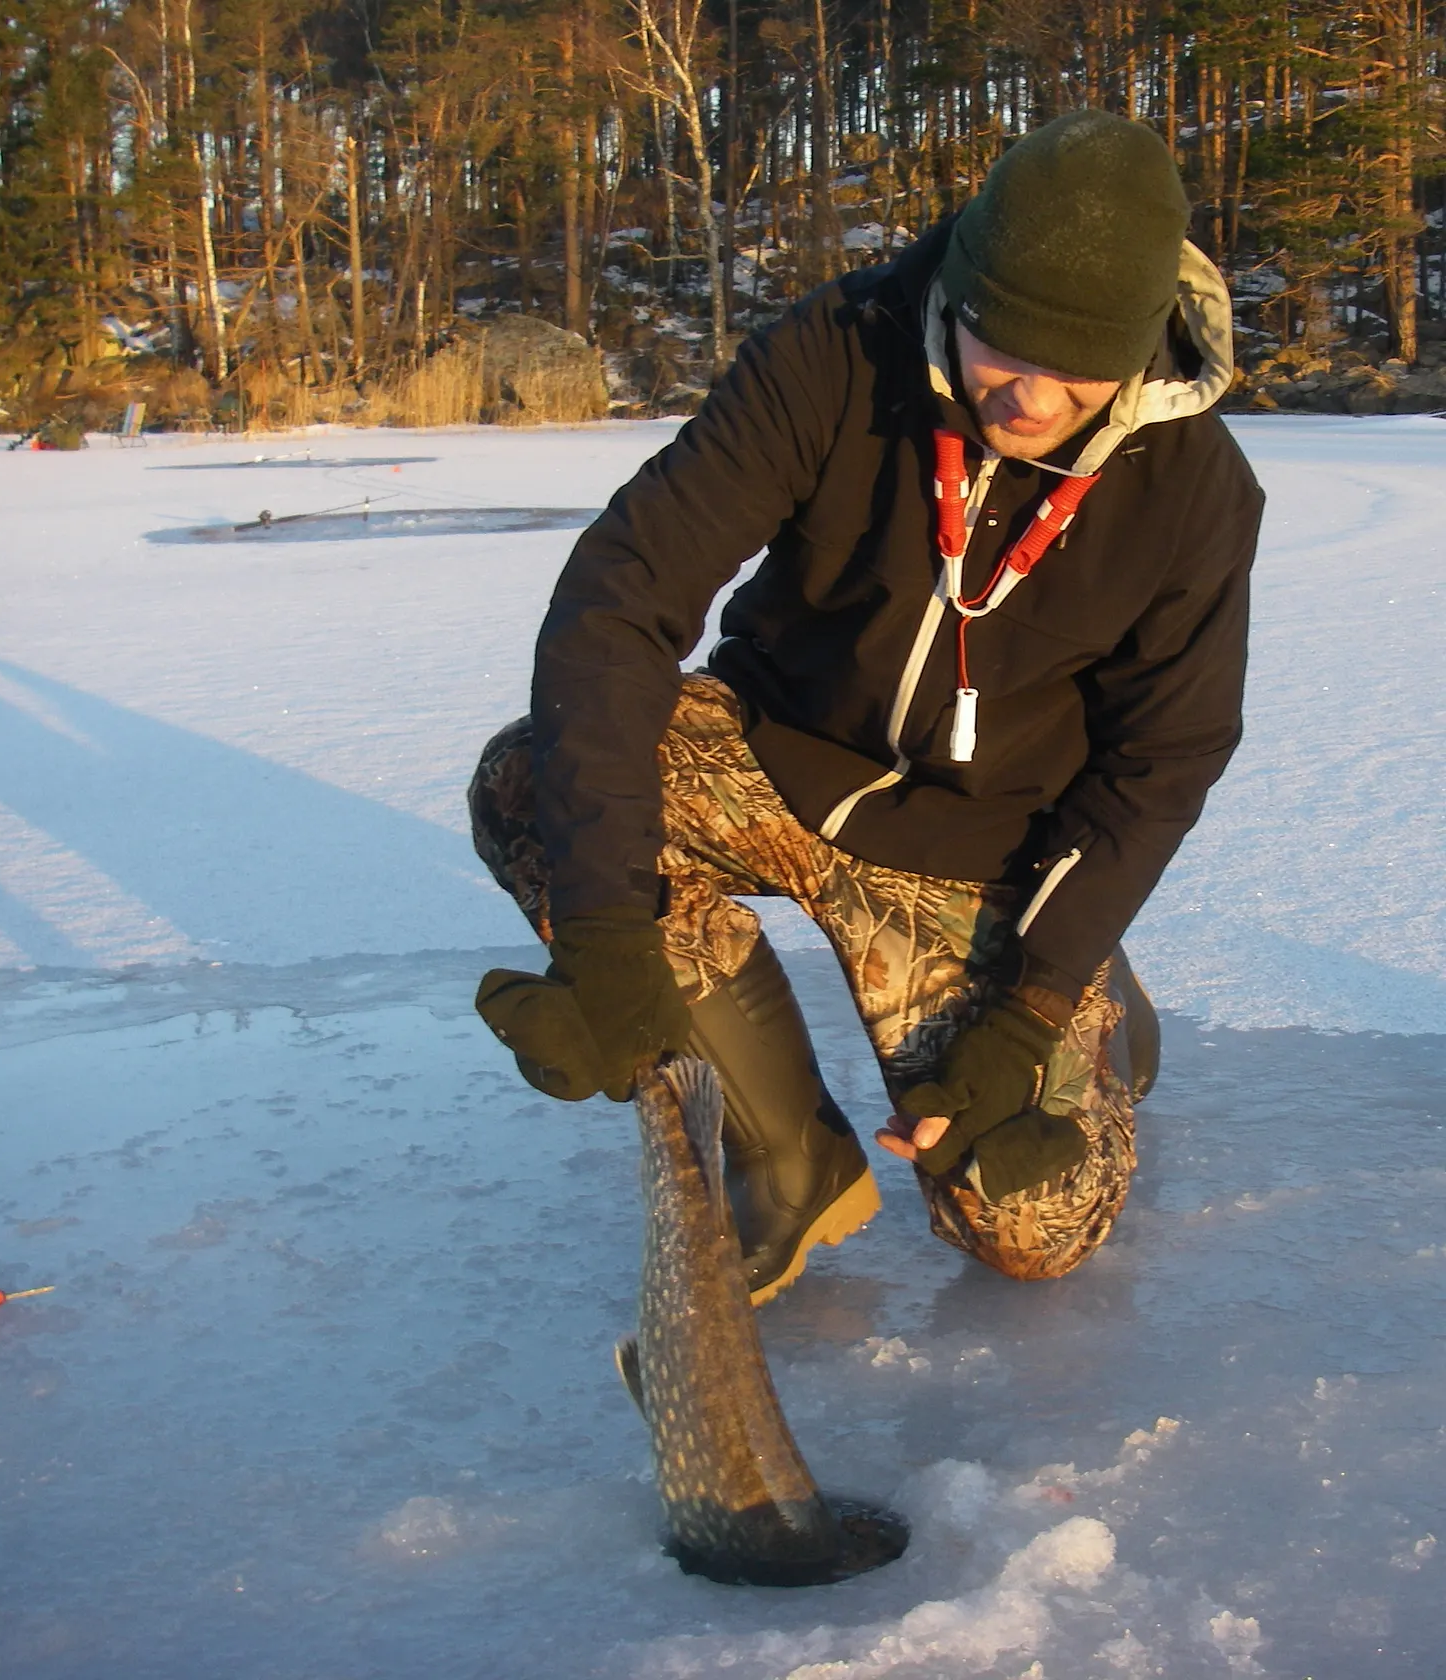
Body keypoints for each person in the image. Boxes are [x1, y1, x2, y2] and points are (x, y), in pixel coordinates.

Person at [468, 110, 1263, 1303]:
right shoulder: (835, 356)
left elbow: (1164, 762)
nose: (1032, 397)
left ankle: (1092, 986)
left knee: (1028, 1225)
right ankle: (790, 1157)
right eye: (1004, 345)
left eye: (1078, 367)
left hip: (991, 849)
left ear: (1143, 346)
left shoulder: (1197, 494)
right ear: (959, 287)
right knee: (534, 780)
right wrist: (603, 934)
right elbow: (619, 601)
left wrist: (1031, 1006)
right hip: (775, 754)